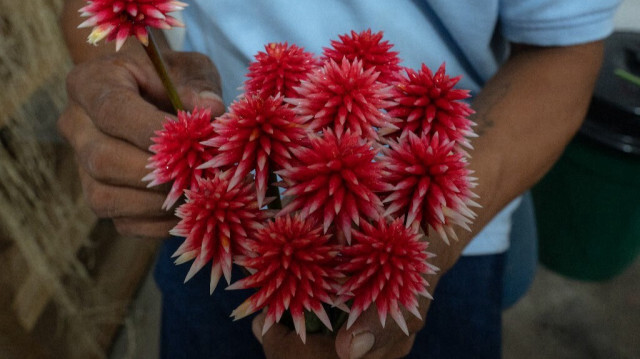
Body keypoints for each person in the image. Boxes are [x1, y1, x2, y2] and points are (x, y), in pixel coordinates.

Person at [58, 1, 620, 358]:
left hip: (444, 223)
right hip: (222, 206)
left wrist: (435, 234)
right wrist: (118, 93)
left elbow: (565, 45)